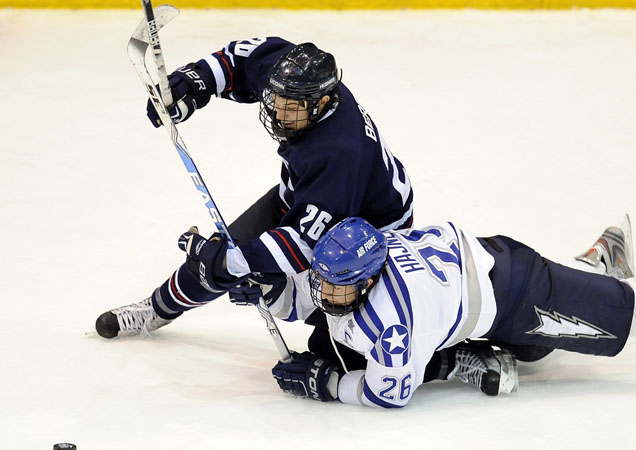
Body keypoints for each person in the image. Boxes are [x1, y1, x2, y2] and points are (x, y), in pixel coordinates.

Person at [257, 176, 636, 408]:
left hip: (517, 293)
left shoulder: (393, 321)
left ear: (369, 278)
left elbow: (389, 393)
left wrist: (329, 384)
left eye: (339, 284)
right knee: (534, 355)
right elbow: (310, 294)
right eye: (324, 277)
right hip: (492, 268)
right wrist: (267, 288)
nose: (325, 290)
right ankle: (600, 262)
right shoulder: (361, 259)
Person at [94, 38, 418, 372]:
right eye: (276, 101)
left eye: (291, 108)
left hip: (366, 232)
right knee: (216, 258)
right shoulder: (292, 78)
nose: (278, 112)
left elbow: (301, 243)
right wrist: (194, 82)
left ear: (321, 102)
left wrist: (234, 263)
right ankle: (155, 309)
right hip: (309, 196)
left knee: (336, 338)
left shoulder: (340, 153)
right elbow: (241, 59)